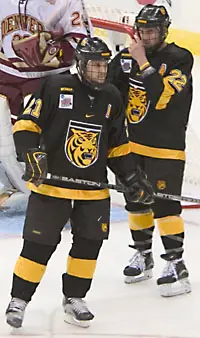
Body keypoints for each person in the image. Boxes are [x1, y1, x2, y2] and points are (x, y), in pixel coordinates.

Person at [5, 36, 153, 329]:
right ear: (81, 64)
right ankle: (19, 299)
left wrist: (132, 177)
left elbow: (117, 145)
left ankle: (74, 297)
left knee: (88, 246)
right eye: (95, 65)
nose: (100, 71)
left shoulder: (112, 96)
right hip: (52, 185)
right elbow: (26, 123)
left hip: (92, 190)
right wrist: (30, 153)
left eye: (103, 65)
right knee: (38, 245)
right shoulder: (56, 86)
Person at [109, 4, 193, 297]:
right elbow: (109, 95)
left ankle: (175, 264)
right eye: (142, 31)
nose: (146, 36)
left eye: (152, 31)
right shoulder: (124, 59)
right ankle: (143, 255)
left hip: (166, 147)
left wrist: (142, 61)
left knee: (165, 206)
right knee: (135, 201)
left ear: (164, 30)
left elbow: (159, 97)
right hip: (133, 145)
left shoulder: (180, 58)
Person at [0, 0, 92, 211]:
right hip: (5, 74)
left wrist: (50, 51)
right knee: (4, 143)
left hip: (48, 79)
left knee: (42, 140)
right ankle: (16, 189)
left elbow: (83, 40)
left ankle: (50, 192)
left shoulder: (67, 2)